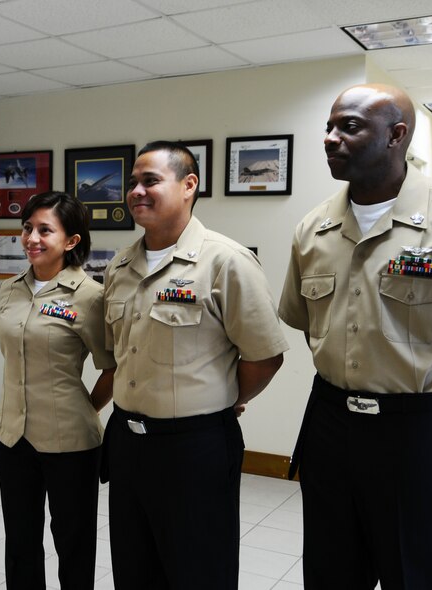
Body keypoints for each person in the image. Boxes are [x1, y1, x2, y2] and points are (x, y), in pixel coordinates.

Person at [279, 84, 432, 589]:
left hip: (421, 434)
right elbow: (305, 322)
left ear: (396, 135)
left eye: (350, 127)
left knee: (422, 574)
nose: (331, 138)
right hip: (331, 428)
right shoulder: (312, 229)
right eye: (329, 126)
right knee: (330, 574)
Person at [103, 141, 288, 589]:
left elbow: (265, 356)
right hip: (127, 442)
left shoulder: (226, 261)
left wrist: (223, 398)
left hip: (193, 447)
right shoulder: (120, 266)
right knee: (133, 568)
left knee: (199, 570)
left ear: (189, 185)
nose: (136, 192)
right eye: (132, 183)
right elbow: (117, 353)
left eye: (150, 181)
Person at [0, 191, 115, 589]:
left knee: (73, 543)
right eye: (27, 228)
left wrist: (85, 406)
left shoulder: (90, 297)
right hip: (13, 437)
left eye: (45, 230)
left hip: (71, 443)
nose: (32, 238)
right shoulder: (10, 289)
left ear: (71, 241)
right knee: (21, 541)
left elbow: (112, 367)